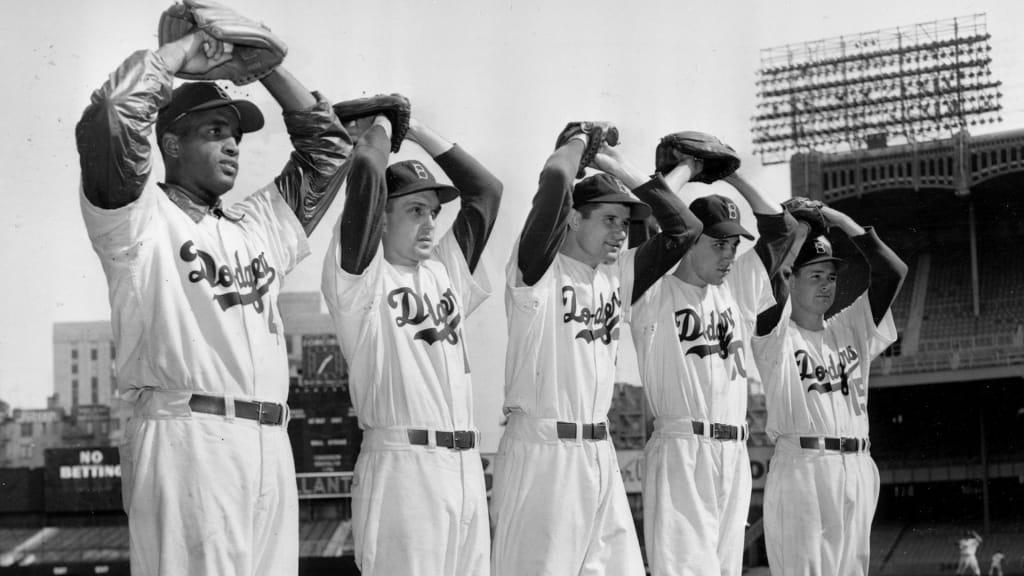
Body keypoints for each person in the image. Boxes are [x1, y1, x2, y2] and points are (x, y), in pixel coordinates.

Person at [75, 12, 350, 576]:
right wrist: (183, 52)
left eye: (236, 134)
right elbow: (114, 114)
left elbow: (328, 153)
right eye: (214, 131)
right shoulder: (136, 219)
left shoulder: (256, 225)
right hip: (187, 437)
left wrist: (270, 69)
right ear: (170, 144)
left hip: (271, 445)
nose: (232, 145)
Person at [490, 122, 705, 576]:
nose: (621, 235)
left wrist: (615, 166)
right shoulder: (537, 269)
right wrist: (577, 142)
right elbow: (554, 183)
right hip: (543, 452)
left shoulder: (616, 275)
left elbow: (684, 228)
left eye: (626, 225)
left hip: (599, 453)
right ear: (572, 219)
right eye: (610, 220)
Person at [321, 112, 502, 576]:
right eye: (414, 211)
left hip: (465, 468)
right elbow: (364, 176)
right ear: (380, 219)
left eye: (434, 213)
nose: (429, 224)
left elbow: (486, 191)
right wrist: (381, 124)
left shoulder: (444, 271)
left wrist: (414, 128)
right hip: (403, 464)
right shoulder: (360, 278)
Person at [627, 173, 799, 576]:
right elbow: (654, 215)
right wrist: (683, 170)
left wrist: (731, 175)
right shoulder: (654, 292)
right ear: (688, 242)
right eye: (719, 243)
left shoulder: (735, 287)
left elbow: (781, 228)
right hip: (682, 447)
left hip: (733, 454)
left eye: (734, 245)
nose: (728, 254)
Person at [751, 203, 908, 576]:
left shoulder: (849, 326)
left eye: (831, 277)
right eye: (815, 276)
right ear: (791, 280)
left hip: (857, 466)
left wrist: (838, 220)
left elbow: (892, 272)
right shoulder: (775, 336)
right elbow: (768, 283)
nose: (826, 284)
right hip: (803, 466)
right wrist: (796, 235)